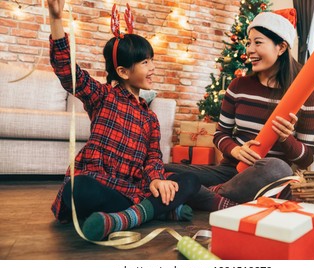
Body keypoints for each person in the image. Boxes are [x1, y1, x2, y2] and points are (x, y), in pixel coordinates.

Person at [48, 0, 200, 241]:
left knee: (190, 180)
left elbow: (153, 158)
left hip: (134, 187)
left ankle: (122, 219)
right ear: (123, 72)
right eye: (145, 62)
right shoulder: (102, 96)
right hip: (104, 184)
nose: (153, 67)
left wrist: (157, 180)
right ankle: (156, 211)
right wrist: (56, 20)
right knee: (77, 190)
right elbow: (68, 72)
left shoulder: (150, 118)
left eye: (152, 60)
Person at [166, 9, 314, 211]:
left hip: (267, 179)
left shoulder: (307, 93)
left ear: (281, 47)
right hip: (230, 171)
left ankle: (206, 195)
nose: (249, 49)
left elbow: (306, 158)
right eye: (249, 43)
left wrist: (285, 138)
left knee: (278, 167)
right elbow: (221, 134)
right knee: (163, 171)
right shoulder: (239, 86)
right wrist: (237, 150)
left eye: (258, 42)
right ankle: (220, 199)